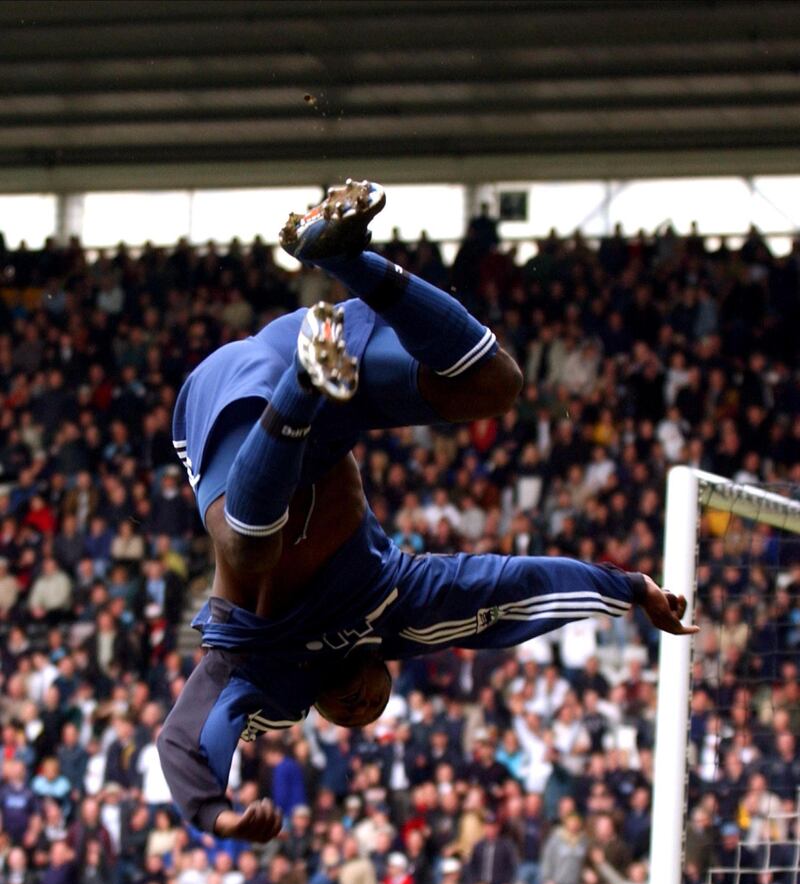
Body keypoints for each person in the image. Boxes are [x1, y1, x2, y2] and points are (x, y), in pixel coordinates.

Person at [158, 180, 697, 843]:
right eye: (374, 709)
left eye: (348, 713)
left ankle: (304, 383)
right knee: (495, 384)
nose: (362, 706)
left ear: (317, 707)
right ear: (389, 673)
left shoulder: (261, 665)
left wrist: (217, 813)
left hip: (238, 412)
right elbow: (511, 586)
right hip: (323, 381)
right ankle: (349, 256)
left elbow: (186, 734)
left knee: (248, 554)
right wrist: (627, 588)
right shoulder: (400, 606)